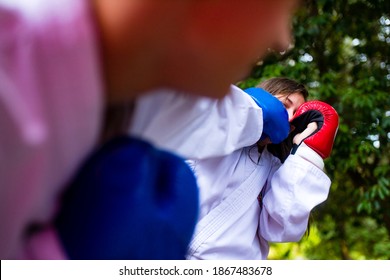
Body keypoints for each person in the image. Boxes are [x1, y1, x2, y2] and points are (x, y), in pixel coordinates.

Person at [0, 0, 301, 259]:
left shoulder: (130, 87)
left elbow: (194, 113)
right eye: (279, 7)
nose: (281, 40)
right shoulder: (10, 77)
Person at [128, 78, 339, 259]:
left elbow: (282, 228)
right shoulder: (214, 125)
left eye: (297, 117)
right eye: (285, 105)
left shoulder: (279, 172)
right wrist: (256, 113)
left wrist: (309, 151)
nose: (291, 118)